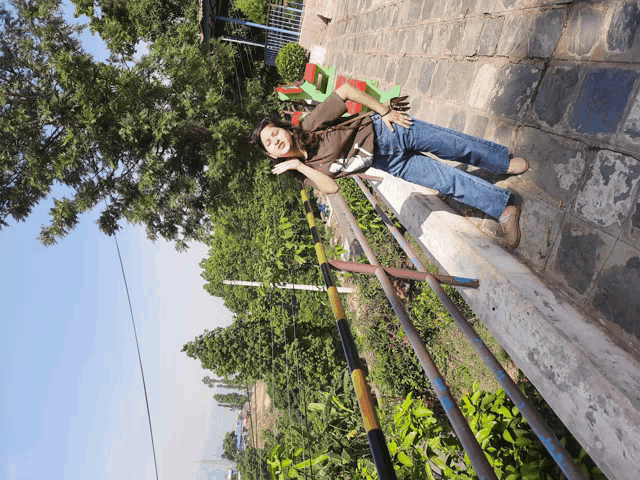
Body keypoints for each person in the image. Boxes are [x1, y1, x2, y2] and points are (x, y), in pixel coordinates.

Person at [251, 83, 528, 248]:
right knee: (445, 180)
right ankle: (503, 208)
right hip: (387, 161)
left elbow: (346, 91)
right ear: (273, 156)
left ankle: (501, 162)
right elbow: (331, 188)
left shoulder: (310, 125)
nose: (275, 140)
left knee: (454, 145)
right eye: (269, 144)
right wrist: (299, 167)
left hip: (388, 130)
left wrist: (384, 111)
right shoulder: (306, 173)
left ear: (283, 129)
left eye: (274, 133)